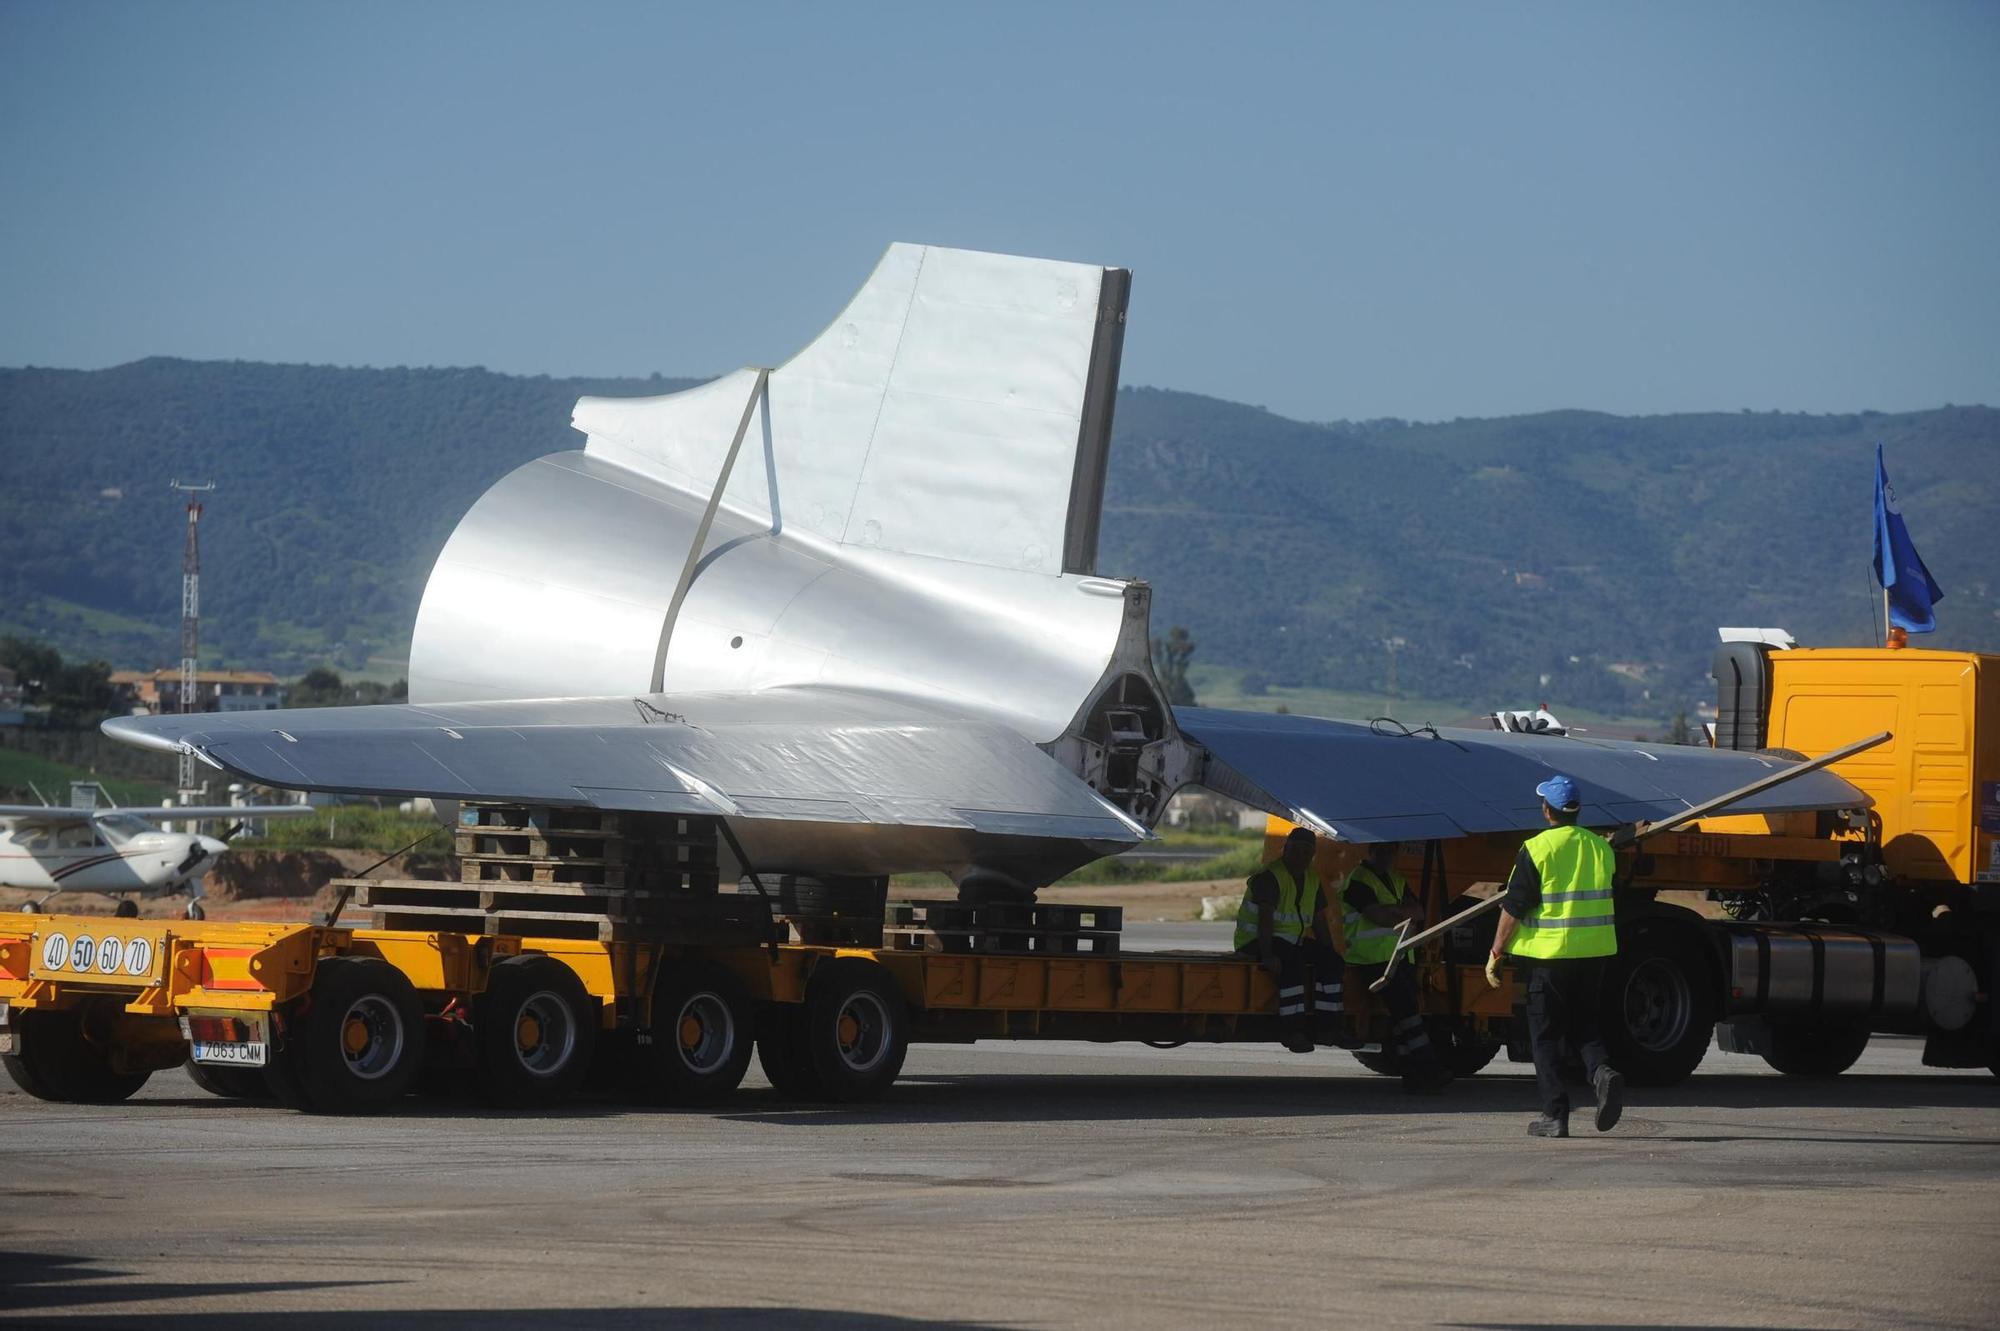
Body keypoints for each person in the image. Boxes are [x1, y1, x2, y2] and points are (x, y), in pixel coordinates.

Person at [1490, 774, 1625, 1137]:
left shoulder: (1537, 848)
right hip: (1594, 954)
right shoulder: (1600, 848)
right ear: (1577, 811)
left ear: (1546, 809)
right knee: (1585, 1025)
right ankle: (1602, 1072)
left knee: (1546, 1035)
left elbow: (1514, 905)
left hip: (1549, 958)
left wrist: (1496, 950)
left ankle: (1555, 1115)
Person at [1339, 841, 1452, 1094]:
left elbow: (1419, 912)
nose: (1387, 855)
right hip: (1373, 958)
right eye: (1381, 850)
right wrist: (1401, 912)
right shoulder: (1360, 880)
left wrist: (1392, 911)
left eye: (1391, 851)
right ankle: (1428, 1068)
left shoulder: (1394, 879)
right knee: (1408, 1015)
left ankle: (1411, 1072)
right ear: (1371, 851)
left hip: (1399, 957)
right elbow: (1376, 915)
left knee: (1401, 1019)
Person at [1234, 827, 1346, 1053]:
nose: (1302, 856)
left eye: (1307, 852)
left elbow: (1319, 921)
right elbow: (1265, 920)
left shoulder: (1311, 878)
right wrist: (1267, 956)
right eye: (1297, 850)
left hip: (1291, 940)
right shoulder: (1270, 877)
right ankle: (1293, 1031)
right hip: (1257, 941)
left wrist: (1329, 951)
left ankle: (1328, 1027)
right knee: (1291, 963)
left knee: (1332, 961)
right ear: (1285, 849)